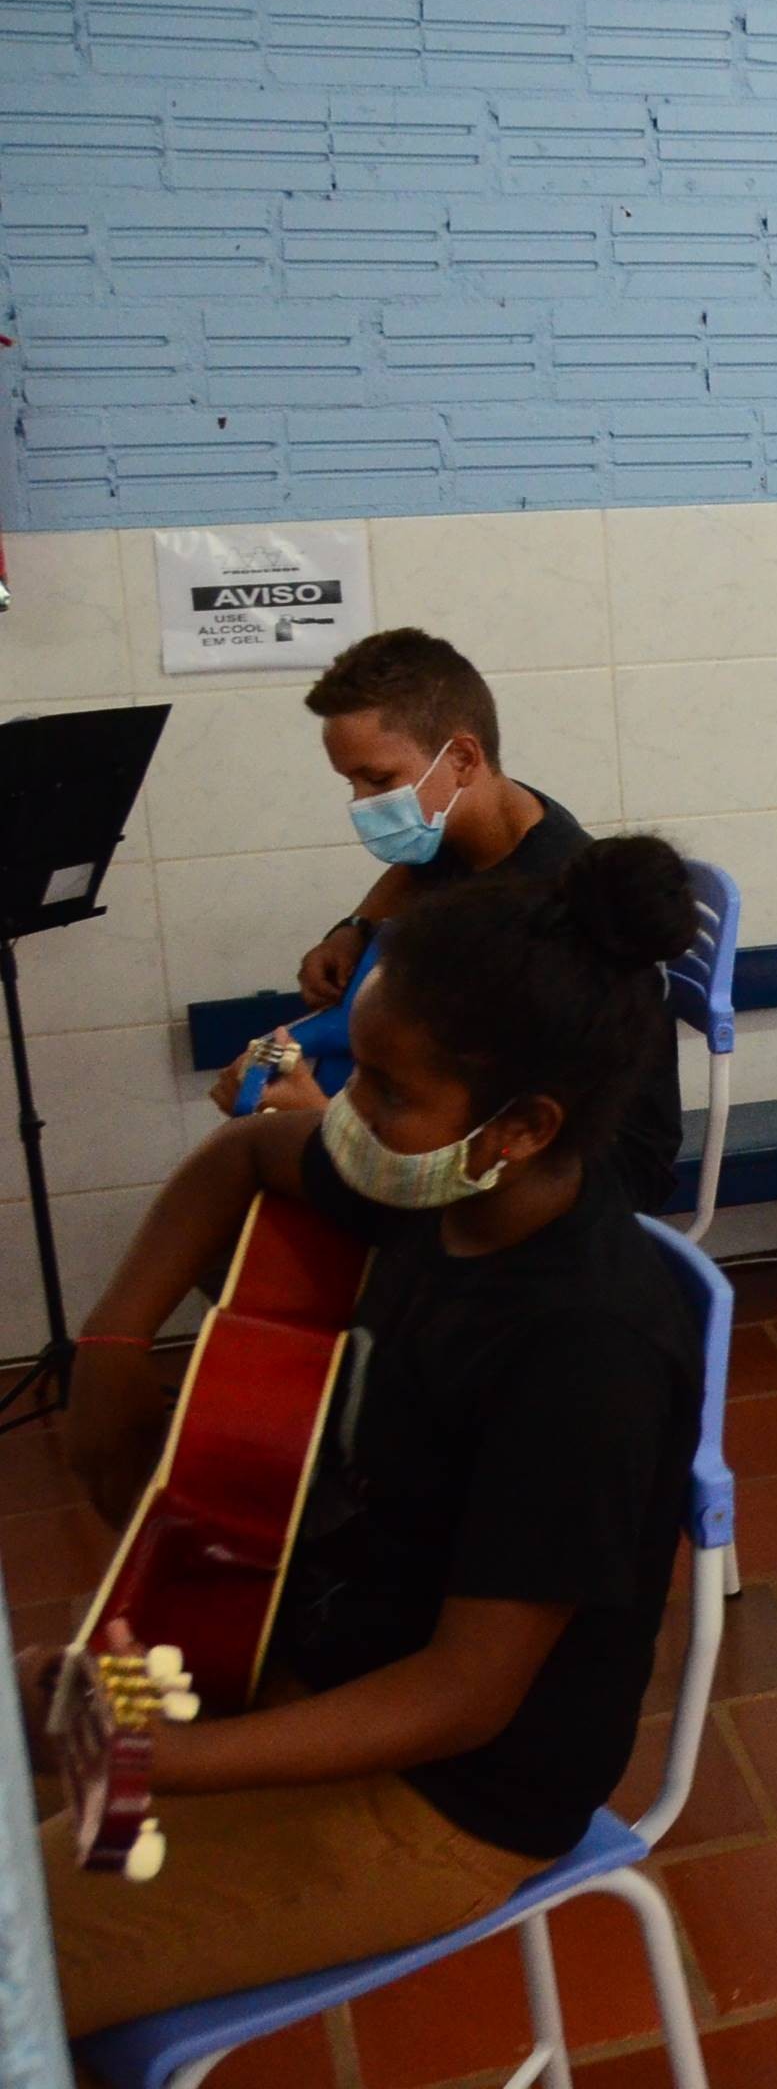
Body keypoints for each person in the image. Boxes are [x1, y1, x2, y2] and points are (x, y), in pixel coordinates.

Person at [34, 839, 709, 2032]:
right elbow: (246, 1155)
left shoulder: (585, 1349)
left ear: (520, 1126)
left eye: (388, 1093)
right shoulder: (437, 1191)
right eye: (360, 1073)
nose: (347, 1114)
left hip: (443, 1796)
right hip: (310, 1648)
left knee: (13, 1960)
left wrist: (149, 1759)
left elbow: (462, 1697)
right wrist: (115, 1343)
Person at [217, 628, 684, 1217]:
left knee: (243, 1167)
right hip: (495, 1138)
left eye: (378, 780)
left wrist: (326, 1124)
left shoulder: (541, 915)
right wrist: (355, 927)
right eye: (350, 782)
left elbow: (495, 1134)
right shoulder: (485, 823)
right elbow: (415, 869)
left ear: (462, 758)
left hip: (576, 1177)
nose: (362, 804)